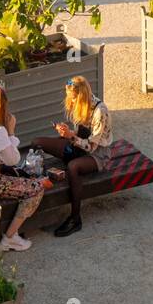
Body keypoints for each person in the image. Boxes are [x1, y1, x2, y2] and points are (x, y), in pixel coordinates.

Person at [0, 86, 57, 252]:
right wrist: (11, 132)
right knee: (36, 188)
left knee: (19, 177)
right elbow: (13, 160)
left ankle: (12, 234)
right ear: (5, 107)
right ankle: (10, 238)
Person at [32, 76, 114, 237]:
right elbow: (80, 132)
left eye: (73, 97)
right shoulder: (79, 104)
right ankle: (36, 186)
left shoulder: (100, 111)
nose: (71, 100)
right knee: (37, 142)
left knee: (73, 167)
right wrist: (67, 132)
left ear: (81, 95)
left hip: (97, 154)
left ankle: (75, 218)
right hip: (77, 145)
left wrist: (70, 136)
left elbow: (91, 146)